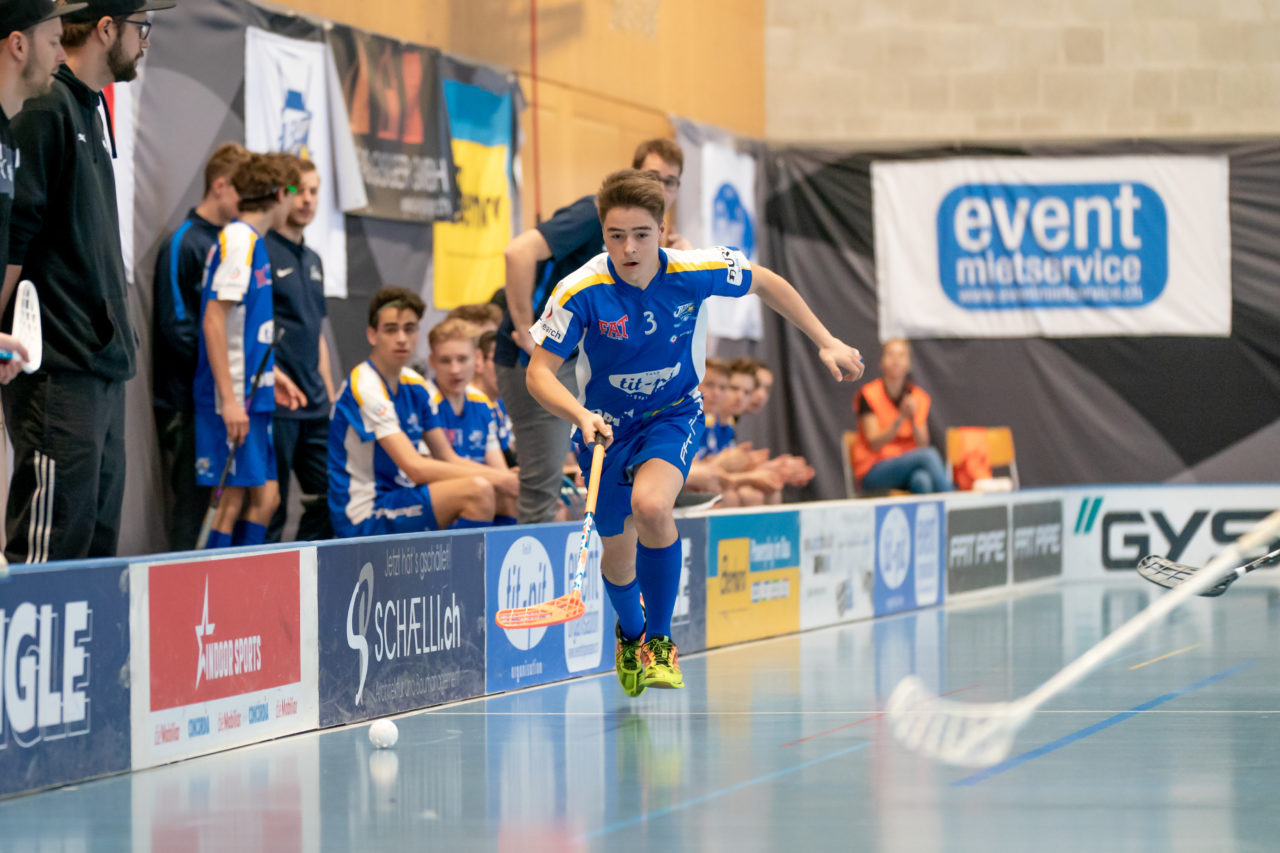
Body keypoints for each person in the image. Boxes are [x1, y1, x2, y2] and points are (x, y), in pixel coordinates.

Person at [526, 169, 863, 696]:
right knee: (617, 556)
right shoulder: (581, 289)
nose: (629, 248)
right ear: (603, 235)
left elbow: (767, 281)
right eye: (616, 236)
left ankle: (660, 641)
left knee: (654, 508)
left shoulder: (694, 270)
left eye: (641, 234)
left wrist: (826, 340)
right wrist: (580, 415)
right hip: (605, 429)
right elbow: (538, 373)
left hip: (672, 414)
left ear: (661, 229)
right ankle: (630, 633)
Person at [2, 0, 175, 563]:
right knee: (50, 551)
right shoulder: (45, 105)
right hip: (58, 370)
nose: (146, 42)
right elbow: (14, 236)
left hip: (100, 368)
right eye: (140, 28)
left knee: (95, 556)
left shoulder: (90, 109)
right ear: (107, 29)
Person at [496, 137, 688, 525]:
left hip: (588, 361)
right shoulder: (594, 213)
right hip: (540, 358)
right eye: (653, 177)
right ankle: (532, 582)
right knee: (542, 482)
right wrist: (523, 331)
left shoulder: (662, 240)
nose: (662, 188)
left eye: (671, 181)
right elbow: (517, 252)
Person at [329, 287, 518, 538]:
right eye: (391, 329)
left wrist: (504, 478)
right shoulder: (364, 385)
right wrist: (500, 478)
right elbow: (415, 468)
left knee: (506, 494)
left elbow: (446, 456)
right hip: (365, 512)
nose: (401, 338)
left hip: (402, 497)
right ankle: (466, 577)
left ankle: (493, 576)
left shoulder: (414, 384)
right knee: (479, 491)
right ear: (372, 335)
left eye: (409, 329)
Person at [194, 152, 301, 549]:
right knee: (229, 499)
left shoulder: (252, 241)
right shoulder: (239, 240)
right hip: (234, 397)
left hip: (255, 393)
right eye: (293, 191)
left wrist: (275, 376)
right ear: (279, 194)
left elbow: (245, 327)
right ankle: (209, 595)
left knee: (267, 497)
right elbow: (213, 320)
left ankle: (243, 589)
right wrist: (229, 400)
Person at [152, 141, 250, 551]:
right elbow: (177, 327)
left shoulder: (237, 242)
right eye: (244, 192)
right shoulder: (184, 242)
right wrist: (221, 377)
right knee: (191, 514)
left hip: (227, 402)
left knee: (234, 506)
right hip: (187, 405)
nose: (248, 203)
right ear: (221, 185)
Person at [265, 157, 336, 543]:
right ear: (280, 194)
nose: (307, 199)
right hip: (277, 402)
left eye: (313, 191)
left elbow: (316, 331)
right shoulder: (260, 250)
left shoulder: (314, 260)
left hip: (315, 404)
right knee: (271, 503)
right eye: (297, 190)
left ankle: (305, 573)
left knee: (329, 496)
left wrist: (326, 391)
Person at [426, 318, 517, 524]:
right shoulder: (425, 399)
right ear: (432, 362)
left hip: (479, 490)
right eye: (445, 361)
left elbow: (499, 469)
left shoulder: (481, 403)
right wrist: (502, 479)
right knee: (480, 491)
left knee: (515, 495)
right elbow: (429, 469)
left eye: (462, 359)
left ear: (476, 358)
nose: (455, 370)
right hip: (436, 495)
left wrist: (512, 481)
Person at [852, 337, 950, 494]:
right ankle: (952, 507)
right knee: (929, 456)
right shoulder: (868, 395)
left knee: (922, 480)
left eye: (901, 355)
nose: (896, 361)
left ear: (909, 364)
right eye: (891, 355)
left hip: (908, 464)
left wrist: (913, 418)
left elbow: (922, 444)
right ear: (881, 361)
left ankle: (928, 518)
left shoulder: (918, 397)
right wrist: (901, 418)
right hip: (874, 468)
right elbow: (875, 443)